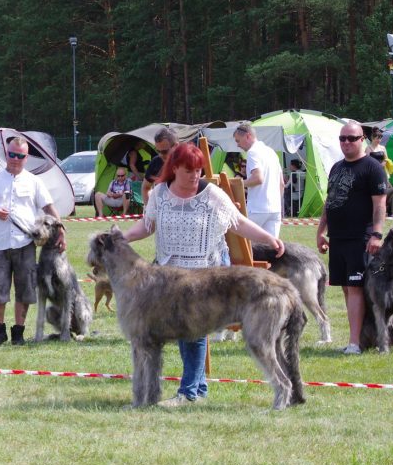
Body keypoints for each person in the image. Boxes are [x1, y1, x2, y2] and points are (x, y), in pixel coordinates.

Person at [122, 143, 284, 405]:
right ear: (174, 168)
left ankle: (187, 393)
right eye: (189, 170)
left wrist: (269, 239)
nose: (195, 175)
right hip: (168, 276)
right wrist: (125, 237)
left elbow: (238, 223)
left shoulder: (212, 194)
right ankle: (198, 388)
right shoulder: (159, 194)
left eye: (198, 170)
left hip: (204, 277)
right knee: (183, 331)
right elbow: (147, 225)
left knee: (194, 332)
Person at [0, 136, 64, 346]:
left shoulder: (34, 181)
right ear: (6, 154)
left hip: (25, 245)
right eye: (12, 154)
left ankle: (18, 332)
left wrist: (61, 232)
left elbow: (49, 208)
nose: (15, 159)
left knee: (25, 290)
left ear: (26, 157)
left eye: (20, 156)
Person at [316, 121, 388, 355]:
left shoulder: (372, 167)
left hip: (361, 238)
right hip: (338, 238)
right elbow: (331, 201)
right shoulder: (336, 167)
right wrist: (320, 231)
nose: (346, 142)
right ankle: (358, 339)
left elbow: (380, 205)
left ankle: (355, 343)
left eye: (352, 138)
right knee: (347, 289)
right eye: (343, 138)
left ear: (362, 139)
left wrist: (377, 234)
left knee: (355, 288)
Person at [234, 122, 284, 237]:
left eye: (238, 141)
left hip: (257, 209)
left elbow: (258, 179)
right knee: (271, 249)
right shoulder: (271, 152)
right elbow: (281, 183)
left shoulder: (252, 152)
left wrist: (238, 183)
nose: (238, 145)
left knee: (245, 246)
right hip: (275, 209)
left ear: (247, 136)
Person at [140, 127, 176, 205]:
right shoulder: (155, 162)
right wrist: (149, 209)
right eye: (158, 151)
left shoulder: (187, 161)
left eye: (164, 152)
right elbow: (145, 188)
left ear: (176, 146)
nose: (160, 155)